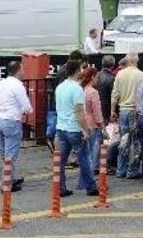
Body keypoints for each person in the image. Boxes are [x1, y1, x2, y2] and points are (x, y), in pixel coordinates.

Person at [55, 59, 98, 196]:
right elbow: (79, 111)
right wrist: (86, 130)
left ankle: (60, 187)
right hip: (74, 128)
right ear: (77, 71)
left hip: (61, 127)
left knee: (61, 160)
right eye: (81, 69)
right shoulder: (77, 88)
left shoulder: (60, 87)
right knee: (83, 158)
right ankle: (90, 186)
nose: (82, 71)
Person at [0, 61, 32, 192]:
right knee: (11, 154)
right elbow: (26, 106)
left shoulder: (0, 84)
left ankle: (12, 177)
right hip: (11, 120)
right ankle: (9, 182)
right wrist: (27, 110)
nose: (24, 71)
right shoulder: (18, 86)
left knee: (5, 152)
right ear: (18, 71)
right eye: (22, 69)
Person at [110, 53, 143, 179]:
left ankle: (121, 169)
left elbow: (115, 94)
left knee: (123, 141)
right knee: (135, 143)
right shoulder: (142, 75)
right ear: (137, 60)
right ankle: (132, 170)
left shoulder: (120, 74)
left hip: (123, 110)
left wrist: (112, 110)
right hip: (135, 111)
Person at [81, 67, 104, 178]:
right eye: (97, 77)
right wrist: (102, 125)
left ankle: (84, 177)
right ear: (92, 77)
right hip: (93, 124)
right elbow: (97, 112)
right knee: (93, 152)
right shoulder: (93, 92)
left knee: (85, 153)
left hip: (84, 123)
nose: (97, 79)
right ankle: (91, 177)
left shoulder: (82, 90)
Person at [97, 55, 116, 124]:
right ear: (113, 65)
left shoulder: (96, 75)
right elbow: (113, 97)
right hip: (107, 112)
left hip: (97, 110)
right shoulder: (112, 78)